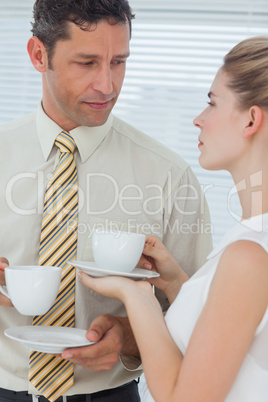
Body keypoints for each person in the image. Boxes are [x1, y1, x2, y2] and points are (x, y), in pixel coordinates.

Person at [0, 0, 212, 401]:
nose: (107, 85)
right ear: (38, 55)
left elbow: (200, 316)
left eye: (118, 62)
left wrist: (130, 339)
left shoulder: (169, 175)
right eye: (87, 63)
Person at [79, 36, 268, 402]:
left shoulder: (249, 255)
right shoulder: (251, 239)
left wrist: (136, 295)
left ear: (251, 119)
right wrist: (175, 284)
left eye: (212, 103)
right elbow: (231, 343)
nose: (199, 119)